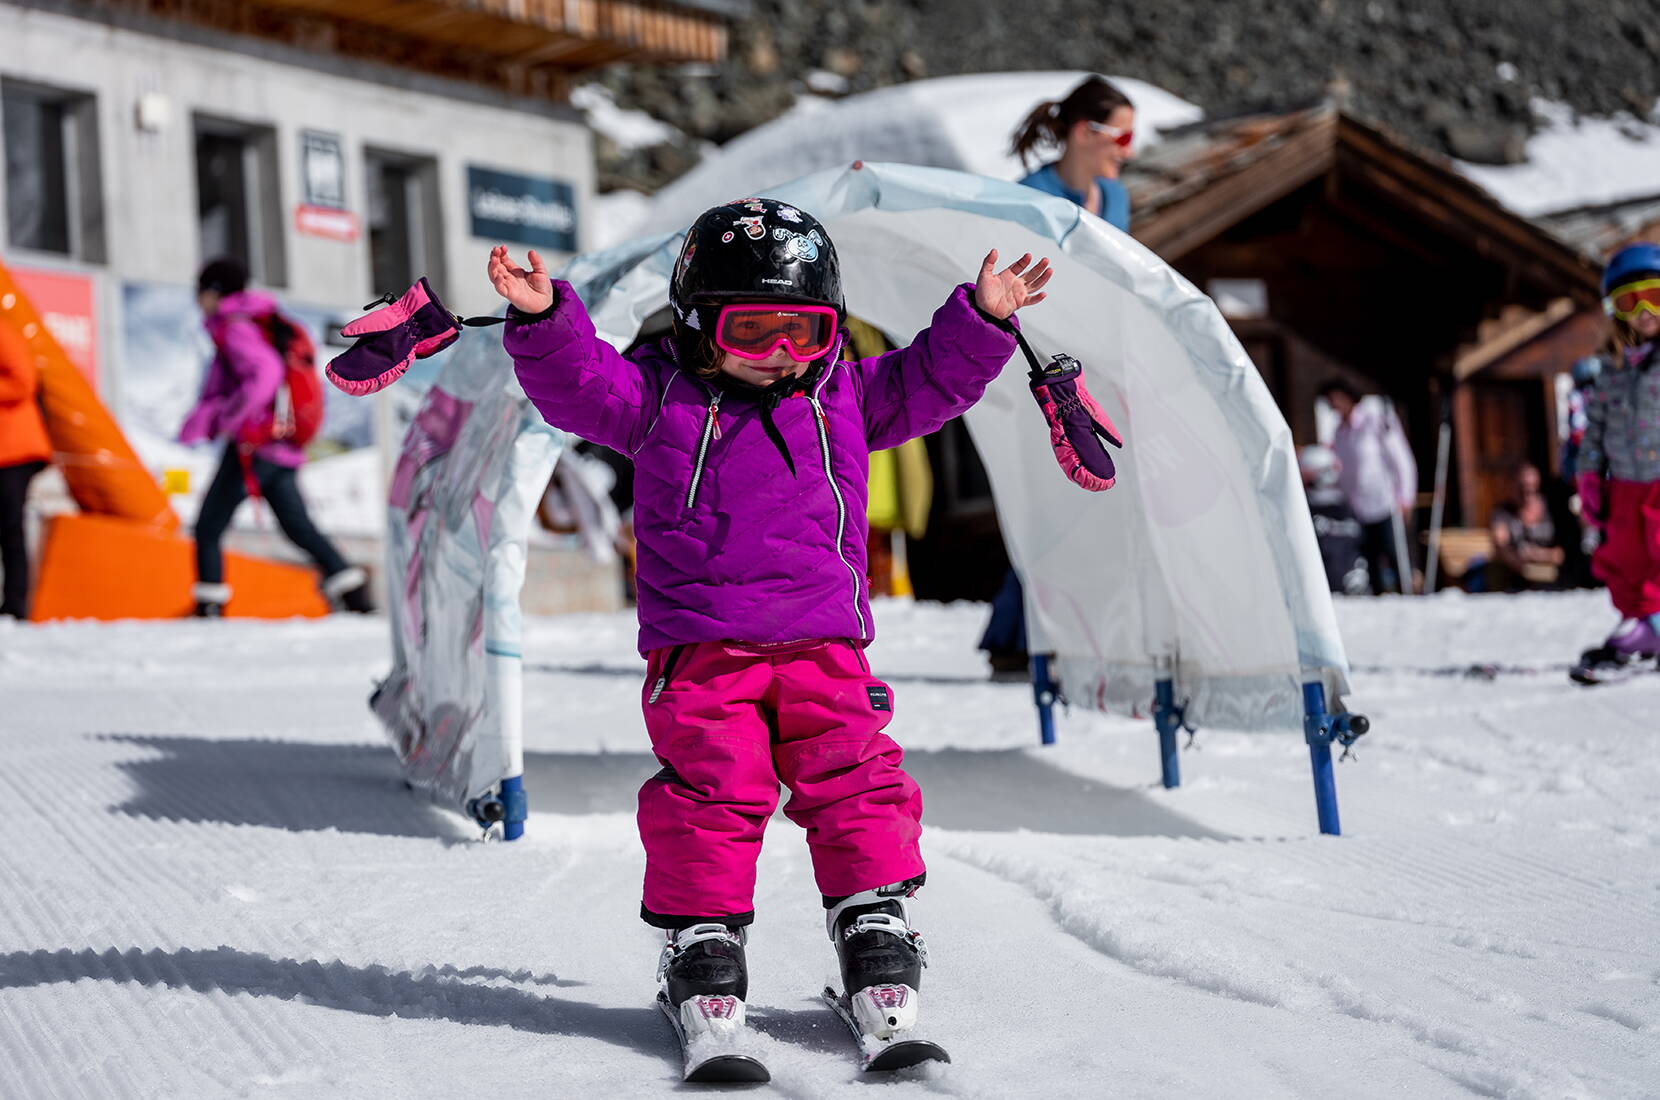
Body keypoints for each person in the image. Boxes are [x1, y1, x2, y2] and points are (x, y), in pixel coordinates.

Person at [488, 198, 1047, 1047]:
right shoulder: (653, 399)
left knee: (856, 778)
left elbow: (929, 378)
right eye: (756, 333)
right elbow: (579, 383)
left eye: (806, 333)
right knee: (714, 793)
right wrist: (544, 320)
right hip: (705, 651)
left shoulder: (849, 396)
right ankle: (704, 939)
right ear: (699, 323)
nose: (783, 356)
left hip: (825, 645)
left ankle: (873, 919)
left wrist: (980, 320)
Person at [980, 75, 1137, 676]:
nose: (1127, 149)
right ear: (1083, 132)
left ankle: (1066, 633)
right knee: (1044, 500)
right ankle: (1014, 638)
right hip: (1039, 365)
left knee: (1093, 498)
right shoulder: (1029, 196)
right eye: (1120, 134)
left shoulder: (1115, 199)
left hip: (1096, 364)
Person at [178, 257, 372, 617]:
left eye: (201, 290)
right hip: (279, 448)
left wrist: (229, 418)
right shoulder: (260, 320)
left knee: (208, 526)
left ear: (215, 292)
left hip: (255, 443)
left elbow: (264, 375)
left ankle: (209, 605)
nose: (197, 299)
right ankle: (354, 591)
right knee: (298, 527)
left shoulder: (236, 327)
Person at [1571, 241, 1660, 679]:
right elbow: (1595, 429)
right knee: (1624, 555)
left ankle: (1654, 624)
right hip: (1624, 482)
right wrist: (1588, 475)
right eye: (1631, 300)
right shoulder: (1611, 370)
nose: (1644, 309)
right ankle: (1644, 625)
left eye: (1654, 295)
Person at [1317, 379, 1418, 594]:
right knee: (1370, 557)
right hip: (1358, 506)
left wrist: (1406, 496)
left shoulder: (1374, 421)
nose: (1335, 404)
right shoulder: (1339, 432)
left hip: (1385, 500)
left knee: (1394, 554)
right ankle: (1380, 598)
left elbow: (1399, 458)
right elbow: (1343, 468)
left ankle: (1406, 594)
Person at [1010, 74, 1138, 231]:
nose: (1129, 153)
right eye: (1124, 138)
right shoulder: (1026, 198)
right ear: (1084, 133)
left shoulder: (1116, 197)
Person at [0, 319, 51, 618]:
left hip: (16, 449)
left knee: (10, 525)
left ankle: (16, 605)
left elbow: (24, 380)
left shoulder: (4, 332)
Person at [1487, 461, 1565, 592]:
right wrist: (1520, 563)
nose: (1527, 493)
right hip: (1514, 578)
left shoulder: (1552, 510)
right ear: (1513, 486)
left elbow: (1563, 553)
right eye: (1522, 488)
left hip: (1552, 577)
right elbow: (1500, 546)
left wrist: (1539, 555)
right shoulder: (1503, 513)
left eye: (1532, 488)